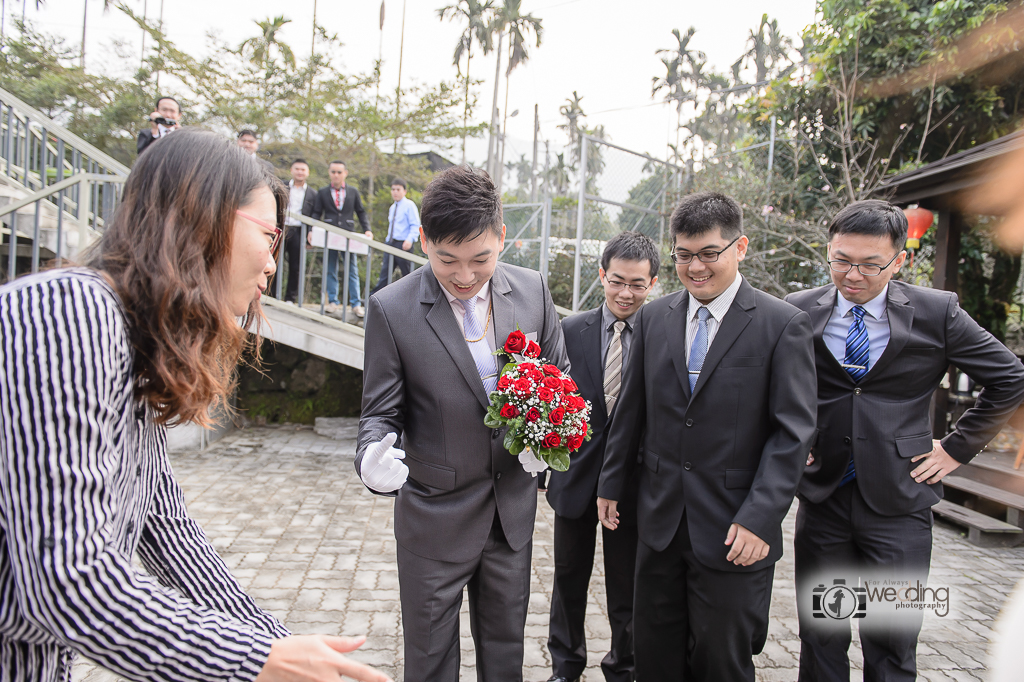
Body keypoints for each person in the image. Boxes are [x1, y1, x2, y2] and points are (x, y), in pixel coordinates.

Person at [0, 129, 390, 682]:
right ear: (201, 218)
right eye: (269, 236)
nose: (273, 266)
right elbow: (71, 580)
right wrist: (256, 660)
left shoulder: (134, 336)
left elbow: (166, 526)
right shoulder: (71, 310)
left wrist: (281, 647)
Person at [784, 200, 1024, 682]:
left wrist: (955, 449)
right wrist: (793, 436)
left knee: (892, 641)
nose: (853, 275)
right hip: (823, 495)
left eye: (871, 265)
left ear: (898, 261)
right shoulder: (797, 309)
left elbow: (1010, 378)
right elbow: (773, 387)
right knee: (822, 634)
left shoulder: (938, 312)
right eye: (841, 260)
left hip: (900, 502)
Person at [357, 165, 569, 682]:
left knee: (505, 659)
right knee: (429, 664)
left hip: (509, 515)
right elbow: (380, 412)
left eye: (481, 259)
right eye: (447, 259)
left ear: (502, 236)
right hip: (434, 516)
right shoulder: (392, 309)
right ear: (423, 240)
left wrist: (549, 439)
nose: (465, 276)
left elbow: (561, 379)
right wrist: (370, 458)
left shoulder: (533, 291)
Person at [597, 191, 818, 682]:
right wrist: (611, 483)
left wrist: (761, 517)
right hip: (659, 523)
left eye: (708, 253)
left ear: (739, 248)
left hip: (734, 528)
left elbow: (793, 433)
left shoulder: (782, 325)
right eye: (683, 254)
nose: (695, 267)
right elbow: (632, 409)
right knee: (654, 657)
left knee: (722, 662)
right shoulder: (654, 318)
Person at [545, 231, 659, 682]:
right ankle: (565, 666)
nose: (625, 293)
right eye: (617, 281)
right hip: (575, 479)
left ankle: (623, 666)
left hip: (634, 485)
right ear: (602, 276)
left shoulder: (661, 333)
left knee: (627, 585)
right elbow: (552, 404)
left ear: (653, 283)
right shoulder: (569, 330)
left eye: (637, 284)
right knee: (568, 580)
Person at [311, 161, 372, 317]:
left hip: (348, 235)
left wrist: (367, 230)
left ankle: (356, 304)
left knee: (352, 270)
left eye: (339, 172)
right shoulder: (323, 192)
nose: (336, 175)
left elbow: (361, 212)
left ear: (345, 173)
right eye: (333, 172)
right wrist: (312, 229)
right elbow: (317, 213)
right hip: (329, 235)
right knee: (330, 268)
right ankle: (332, 301)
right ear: (329, 173)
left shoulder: (353, 191)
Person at [370, 177, 420, 295]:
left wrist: (410, 240)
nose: (395, 192)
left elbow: (415, 225)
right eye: (393, 189)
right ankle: (373, 299)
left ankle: (413, 299)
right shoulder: (393, 207)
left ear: (404, 191)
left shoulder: (409, 205)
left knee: (407, 276)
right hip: (391, 243)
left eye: (398, 189)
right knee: (385, 274)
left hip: (403, 244)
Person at [283, 158, 317, 304]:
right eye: (297, 169)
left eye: (303, 169)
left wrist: (310, 233)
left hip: (299, 231)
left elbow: (314, 215)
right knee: (274, 262)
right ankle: (271, 295)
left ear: (307, 173)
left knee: (296, 266)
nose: (299, 172)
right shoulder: (282, 186)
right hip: (282, 227)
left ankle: (290, 298)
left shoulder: (312, 193)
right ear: (291, 170)